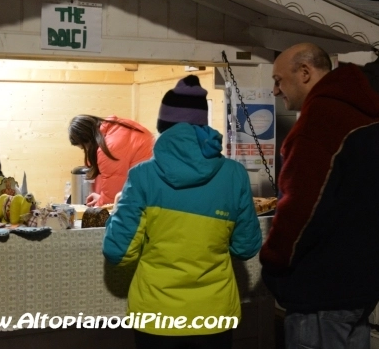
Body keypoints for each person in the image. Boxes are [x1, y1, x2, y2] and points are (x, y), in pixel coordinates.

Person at [260, 43, 379, 349]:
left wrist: (272, 263)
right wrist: (351, 204)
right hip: (363, 283)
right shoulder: (360, 111)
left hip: (323, 289)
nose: (275, 90)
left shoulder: (317, 122)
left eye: (278, 80)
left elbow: (299, 208)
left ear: (304, 72)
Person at [103, 75, 262, 348]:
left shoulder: (142, 176)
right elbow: (246, 246)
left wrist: (117, 214)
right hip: (214, 315)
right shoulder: (234, 174)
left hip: (157, 315)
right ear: (203, 125)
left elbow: (119, 250)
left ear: (163, 127)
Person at [68, 114, 154, 206]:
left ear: (88, 140)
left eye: (84, 148)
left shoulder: (108, 148)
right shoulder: (119, 126)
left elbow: (111, 199)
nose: (87, 152)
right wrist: (102, 198)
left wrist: (96, 208)